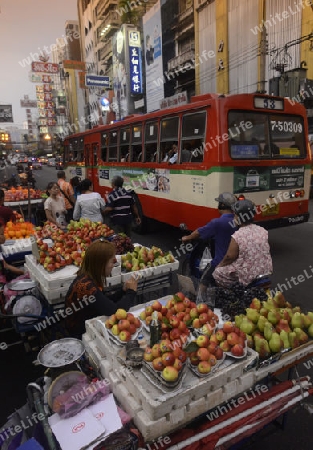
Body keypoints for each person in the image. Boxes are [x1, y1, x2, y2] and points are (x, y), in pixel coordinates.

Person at [64, 239, 138, 337]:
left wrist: (123, 291)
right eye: (112, 262)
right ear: (101, 264)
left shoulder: (86, 277)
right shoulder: (88, 287)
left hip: (84, 322)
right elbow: (115, 312)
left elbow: (105, 302)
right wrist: (131, 292)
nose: (113, 266)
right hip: (80, 333)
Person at [182, 192, 238, 292]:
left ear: (222, 205)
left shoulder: (217, 223)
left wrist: (188, 237)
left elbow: (199, 232)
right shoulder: (238, 220)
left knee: (204, 281)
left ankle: (201, 301)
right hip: (238, 263)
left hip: (220, 262)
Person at [213, 199, 273, 288]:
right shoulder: (262, 230)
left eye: (235, 215)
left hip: (248, 274)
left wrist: (220, 265)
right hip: (265, 269)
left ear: (239, 217)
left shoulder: (238, 235)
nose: (234, 218)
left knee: (217, 273)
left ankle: (230, 295)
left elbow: (229, 257)